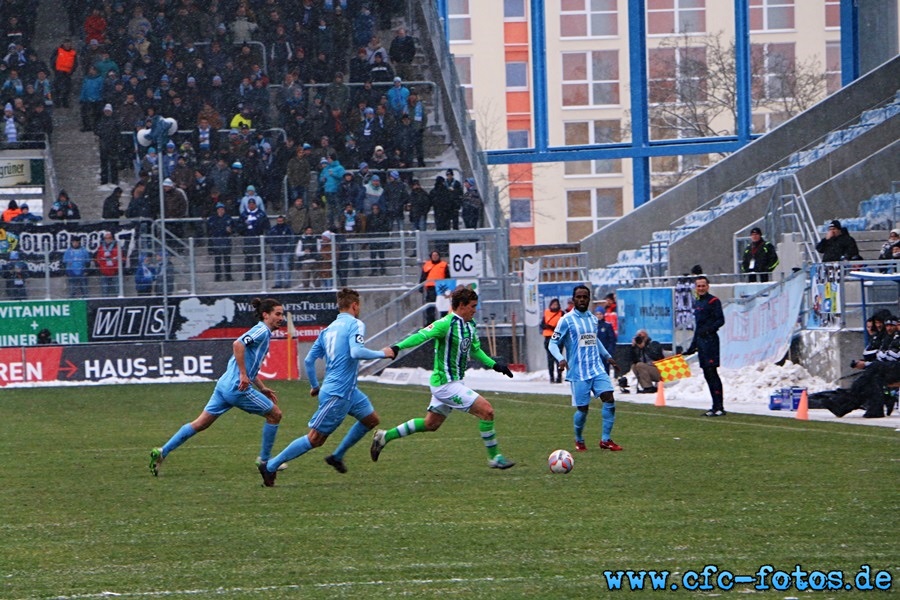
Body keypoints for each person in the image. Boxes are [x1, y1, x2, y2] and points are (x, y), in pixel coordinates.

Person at [370, 286, 516, 469]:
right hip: (445, 384)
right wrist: (396, 348)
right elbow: (421, 336)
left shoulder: (470, 325)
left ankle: (385, 436)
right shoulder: (445, 324)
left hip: (454, 382)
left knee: (431, 423)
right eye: (472, 306)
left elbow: (475, 350)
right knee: (487, 411)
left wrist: (495, 365)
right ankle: (494, 457)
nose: (475, 310)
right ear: (461, 306)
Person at [258, 289, 393, 485]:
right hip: (338, 393)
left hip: (347, 390)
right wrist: (383, 353)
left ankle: (337, 456)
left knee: (371, 420)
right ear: (354, 306)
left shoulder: (327, 330)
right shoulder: (355, 324)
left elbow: (309, 360)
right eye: (359, 306)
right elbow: (356, 352)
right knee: (315, 439)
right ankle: (270, 466)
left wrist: (315, 385)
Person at [150, 298, 286, 478]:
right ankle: (265, 461)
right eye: (277, 314)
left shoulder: (264, 333)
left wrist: (261, 387)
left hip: (224, 385)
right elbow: (238, 344)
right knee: (275, 415)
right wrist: (244, 376)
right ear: (265, 315)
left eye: (282, 314)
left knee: (200, 423)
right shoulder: (261, 330)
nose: (281, 318)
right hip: (236, 388)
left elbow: (249, 364)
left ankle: (162, 452)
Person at [548, 284, 622, 453]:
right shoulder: (566, 320)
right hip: (578, 371)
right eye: (579, 297)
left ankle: (606, 439)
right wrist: (560, 359)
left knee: (609, 399)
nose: (582, 300)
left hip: (596, 368)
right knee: (583, 409)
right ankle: (579, 439)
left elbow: (594, 340)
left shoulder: (593, 319)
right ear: (573, 300)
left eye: (585, 297)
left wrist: (607, 356)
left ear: (589, 299)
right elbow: (553, 343)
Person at [684, 276, 726, 417]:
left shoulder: (713, 301)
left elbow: (720, 320)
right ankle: (714, 406)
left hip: (711, 341)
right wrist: (693, 344)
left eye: (703, 285)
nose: (701, 288)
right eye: (698, 286)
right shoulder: (698, 303)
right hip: (702, 342)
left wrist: (709, 330)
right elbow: (698, 327)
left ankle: (719, 406)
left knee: (712, 373)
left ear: (708, 286)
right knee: (707, 374)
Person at [629, 329, 664, 393]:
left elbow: (656, 357)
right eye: (639, 337)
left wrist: (645, 348)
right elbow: (633, 361)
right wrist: (633, 347)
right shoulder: (638, 347)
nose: (641, 339)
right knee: (634, 366)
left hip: (660, 370)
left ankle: (649, 387)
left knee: (640, 365)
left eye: (642, 337)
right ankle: (645, 387)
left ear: (647, 336)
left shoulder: (654, 344)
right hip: (647, 370)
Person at [420, 249, 449, 325]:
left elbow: (448, 277)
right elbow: (423, 277)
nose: (435, 257)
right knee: (430, 307)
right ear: (431, 256)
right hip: (430, 288)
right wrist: (421, 286)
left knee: (443, 305)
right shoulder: (427, 265)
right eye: (433, 255)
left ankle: (443, 321)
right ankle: (430, 322)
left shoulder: (444, 264)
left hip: (441, 288)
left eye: (436, 255)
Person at [540, 298, 564, 383]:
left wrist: (552, 328)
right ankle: (551, 377)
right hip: (548, 338)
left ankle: (559, 377)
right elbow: (542, 325)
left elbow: (563, 326)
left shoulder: (562, 314)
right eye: (553, 305)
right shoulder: (546, 313)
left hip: (558, 338)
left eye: (556, 305)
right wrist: (547, 327)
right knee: (550, 359)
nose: (554, 306)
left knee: (558, 358)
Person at [267, 215, 294, 289]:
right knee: (276, 268)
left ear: (284, 221)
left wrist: (287, 247)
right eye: (278, 221)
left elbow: (291, 239)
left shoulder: (288, 229)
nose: (280, 222)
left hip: (285, 250)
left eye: (281, 221)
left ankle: (287, 283)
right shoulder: (273, 229)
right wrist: (273, 247)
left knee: (286, 267)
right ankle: (278, 283)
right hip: (276, 251)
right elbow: (269, 239)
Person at [94, 231, 120, 296]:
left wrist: (115, 264)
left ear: (112, 239)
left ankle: (118, 303)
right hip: (104, 272)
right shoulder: (101, 248)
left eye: (109, 238)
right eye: (106, 238)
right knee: (104, 291)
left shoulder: (117, 247)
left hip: (115, 271)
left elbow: (121, 258)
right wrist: (100, 266)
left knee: (118, 291)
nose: (108, 239)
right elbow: (97, 258)